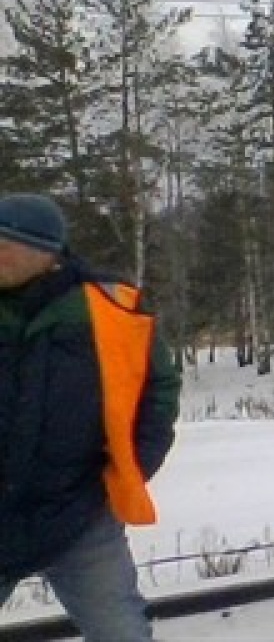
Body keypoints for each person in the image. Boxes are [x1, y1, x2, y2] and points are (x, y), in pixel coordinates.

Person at [0, 193, 181, 641]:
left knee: (121, 633)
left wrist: (126, 471)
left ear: (45, 250)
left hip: (80, 513)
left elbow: (157, 392)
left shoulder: (112, 310)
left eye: (6, 243)